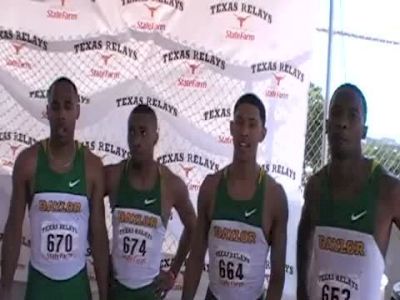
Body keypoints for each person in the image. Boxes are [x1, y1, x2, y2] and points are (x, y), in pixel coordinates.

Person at [0, 77, 109, 300]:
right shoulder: (28, 162)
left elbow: (98, 236)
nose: (62, 115)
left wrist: (106, 294)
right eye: (56, 106)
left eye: (68, 106)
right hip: (40, 288)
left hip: (77, 289)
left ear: (77, 111)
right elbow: (13, 228)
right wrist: (4, 288)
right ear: (47, 111)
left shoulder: (92, 167)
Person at [297, 83, 400, 300]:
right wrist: (301, 292)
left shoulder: (387, 189)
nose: (342, 123)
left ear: (364, 130)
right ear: (326, 125)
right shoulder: (315, 187)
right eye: (336, 113)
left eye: (352, 115)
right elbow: (303, 239)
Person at [182, 93, 288, 300]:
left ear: (262, 133)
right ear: (231, 128)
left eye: (252, 124)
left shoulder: (274, 196)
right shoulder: (211, 186)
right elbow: (195, 257)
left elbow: (277, 276)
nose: (244, 132)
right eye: (239, 123)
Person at [105, 104, 196, 300]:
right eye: (132, 132)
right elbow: (84, 206)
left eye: (143, 132)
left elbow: (193, 227)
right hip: (116, 291)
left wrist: (173, 272)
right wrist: (102, 258)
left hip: (149, 292)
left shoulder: (171, 185)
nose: (136, 140)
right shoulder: (113, 176)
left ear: (156, 136)